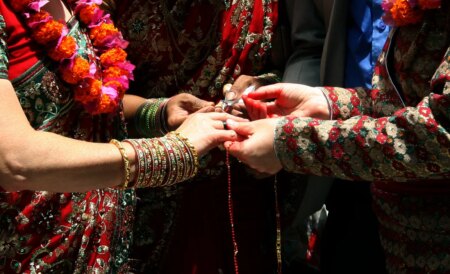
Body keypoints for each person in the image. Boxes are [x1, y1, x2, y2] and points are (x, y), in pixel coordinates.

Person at [0, 0, 240, 273]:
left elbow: (86, 105)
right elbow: (13, 160)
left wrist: (157, 113)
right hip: (29, 253)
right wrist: (171, 152)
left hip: (102, 250)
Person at [227, 1, 450, 273]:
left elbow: (438, 133)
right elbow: (402, 102)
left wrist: (290, 143)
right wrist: (328, 102)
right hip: (389, 230)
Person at [107, 0, 286, 273]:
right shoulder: (108, 8)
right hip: (150, 188)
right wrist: (159, 113)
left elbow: (303, 55)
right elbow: (91, 101)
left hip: (246, 184)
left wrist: (266, 90)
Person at [281, 0, 388, 273]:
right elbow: (311, 47)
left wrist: (291, 143)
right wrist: (293, 117)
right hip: (347, 179)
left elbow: (436, 127)